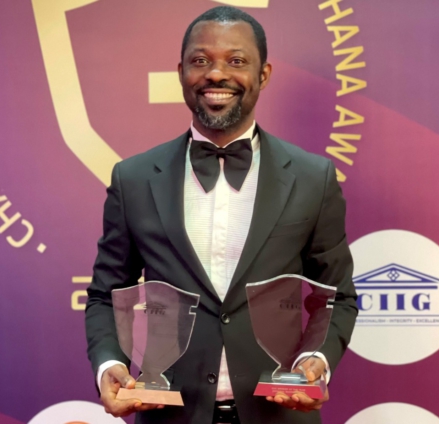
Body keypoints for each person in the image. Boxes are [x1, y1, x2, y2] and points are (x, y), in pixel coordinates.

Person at [85, 6, 357, 424]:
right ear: (181, 73)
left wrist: (315, 360)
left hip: (279, 416)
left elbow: (336, 296)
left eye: (236, 60)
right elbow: (107, 293)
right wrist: (109, 364)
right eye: (200, 60)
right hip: (169, 416)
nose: (216, 74)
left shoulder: (312, 177)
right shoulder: (134, 178)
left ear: (263, 75)